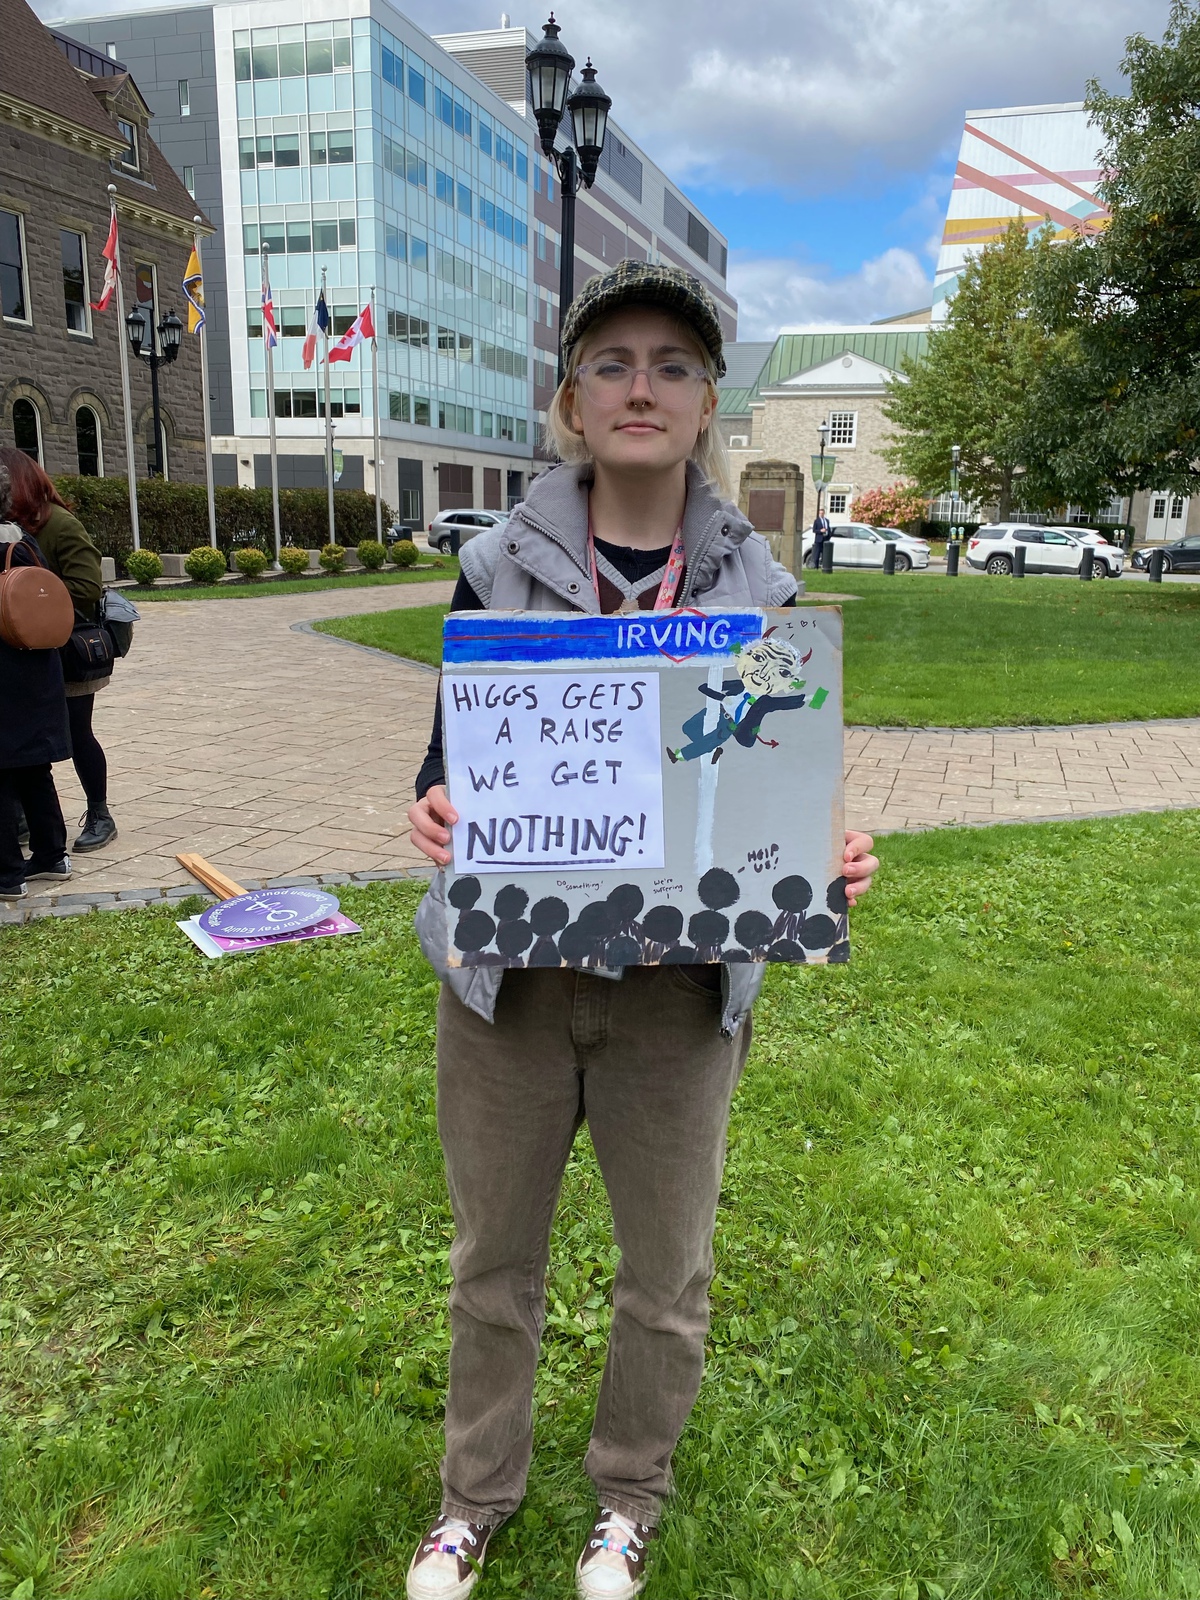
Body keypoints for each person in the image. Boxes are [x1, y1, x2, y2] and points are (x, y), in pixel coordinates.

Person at [405, 260, 879, 1600]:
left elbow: (776, 793)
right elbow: (446, 761)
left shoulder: (762, 591)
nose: (641, 386)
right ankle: (472, 1499)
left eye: (673, 362)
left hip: (678, 997)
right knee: (494, 1260)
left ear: (706, 401)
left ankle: (626, 1500)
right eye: (611, 360)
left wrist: (825, 859)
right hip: (511, 985)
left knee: (665, 1274)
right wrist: (436, 812)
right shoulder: (492, 568)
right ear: (569, 399)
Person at [0, 448, 116, 852]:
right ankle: (23, 819)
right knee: (22, 738)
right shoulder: (9, 529)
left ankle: (100, 813)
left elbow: (87, 589)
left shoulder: (60, 524)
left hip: (69, 647)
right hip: (25, 653)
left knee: (77, 732)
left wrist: (30, 595)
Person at [0, 461, 72, 899]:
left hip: (5, 675)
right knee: (32, 767)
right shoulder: (22, 542)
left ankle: (7, 875)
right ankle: (51, 856)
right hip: (37, 669)